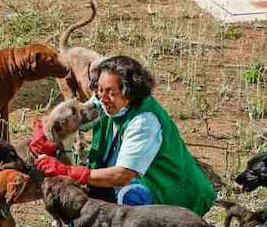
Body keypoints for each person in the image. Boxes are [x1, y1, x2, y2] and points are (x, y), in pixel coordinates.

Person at [32, 55, 216, 215]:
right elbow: (83, 116)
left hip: (170, 193)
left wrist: (68, 171)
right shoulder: (109, 101)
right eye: (100, 89)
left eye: (110, 92)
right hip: (136, 179)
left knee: (130, 200)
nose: (102, 97)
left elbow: (121, 175)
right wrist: (47, 131)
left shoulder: (143, 122)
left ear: (129, 93)